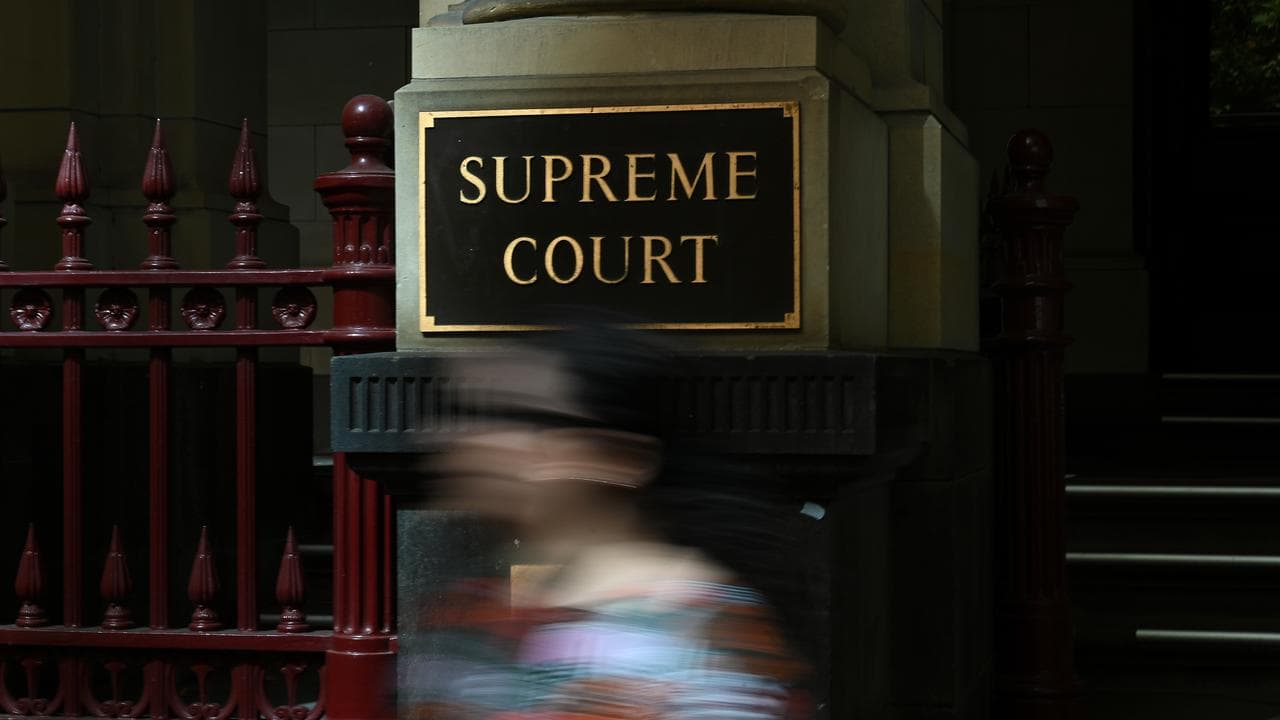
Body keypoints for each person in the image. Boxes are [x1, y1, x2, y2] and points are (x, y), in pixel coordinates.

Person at [402, 320, 812, 720]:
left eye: (509, 415)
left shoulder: (708, 632)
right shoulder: (470, 606)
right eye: (461, 412)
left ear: (618, 456)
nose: (459, 436)